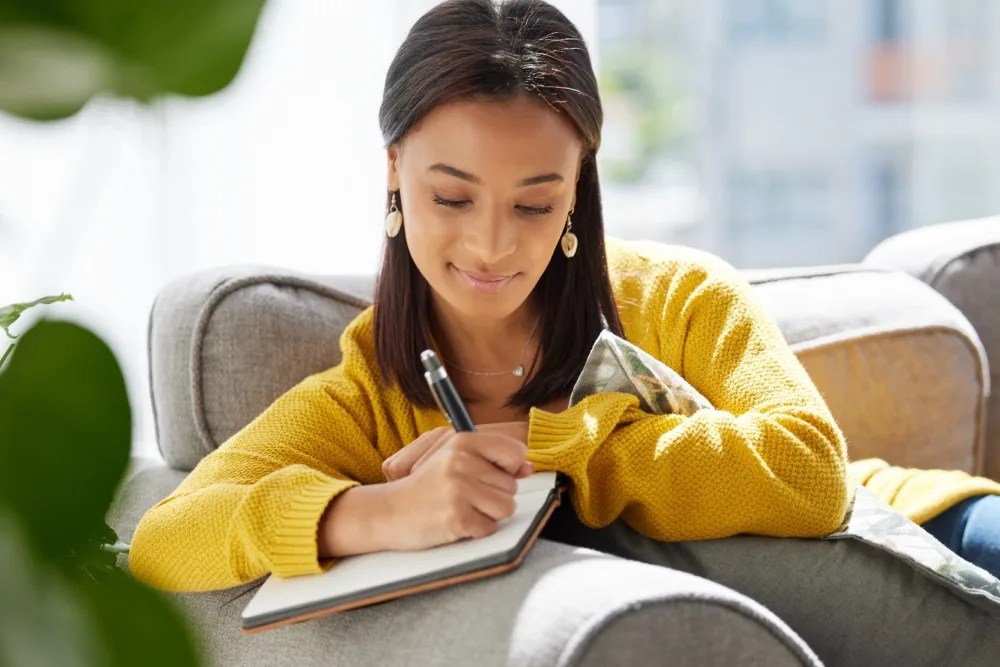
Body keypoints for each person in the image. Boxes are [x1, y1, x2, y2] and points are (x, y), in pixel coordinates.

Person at [130, 0, 1000, 662]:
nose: (492, 243)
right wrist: (375, 512)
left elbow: (811, 473)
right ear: (394, 172)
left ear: (578, 185)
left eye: (536, 201)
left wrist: (546, 455)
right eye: (452, 196)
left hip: (925, 532)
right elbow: (165, 542)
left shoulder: (680, 295)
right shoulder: (366, 403)